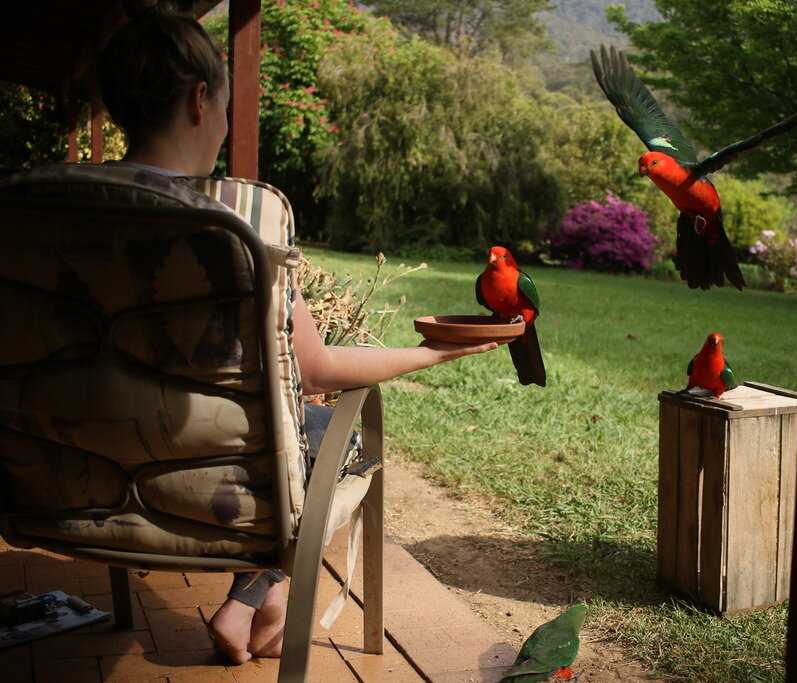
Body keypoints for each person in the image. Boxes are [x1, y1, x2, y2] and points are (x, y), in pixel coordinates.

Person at [96, 1, 499, 664]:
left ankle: (261, 595)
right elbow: (314, 370)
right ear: (201, 100)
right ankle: (253, 595)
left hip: (85, 468)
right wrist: (431, 351)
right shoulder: (241, 215)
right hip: (209, 478)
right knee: (325, 433)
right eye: (225, 104)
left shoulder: (45, 205)